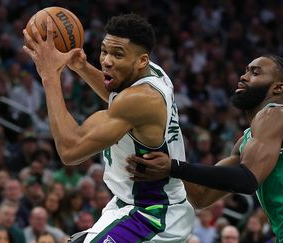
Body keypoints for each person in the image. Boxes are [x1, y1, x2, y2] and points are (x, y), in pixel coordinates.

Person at [126, 55, 283, 242]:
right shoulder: (247, 140)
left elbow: (247, 180)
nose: (244, 76)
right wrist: (165, 149)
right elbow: (201, 197)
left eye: (255, 72)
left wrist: (174, 167)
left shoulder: (276, 113)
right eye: (246, 70)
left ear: (277, 88)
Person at [22, 13, 194, 242]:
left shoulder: (141, 99)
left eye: (118, 54)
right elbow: (117, 97)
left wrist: (50, 77)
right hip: (131, 204)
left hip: (152, 215)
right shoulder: (155, 73)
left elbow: (70, 150)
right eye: (104, 51)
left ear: (141, 60)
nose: (106, 61)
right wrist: (81, 67)